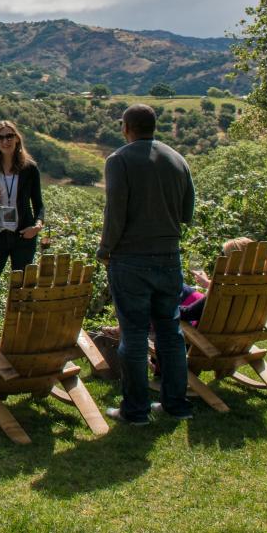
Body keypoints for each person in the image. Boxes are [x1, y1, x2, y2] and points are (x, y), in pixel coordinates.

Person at [97, 103, 196, 425]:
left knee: (135, 335)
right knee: (170, 333)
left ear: (127, 127)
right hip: (170, 257)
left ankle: (136, 410)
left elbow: (116, 212)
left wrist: (105, 249)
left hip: (130, 259)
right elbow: (187, 212)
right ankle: (176, 404)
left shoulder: (120, 160)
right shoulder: (177, 159)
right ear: (154, 126)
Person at [0, 120, 45, 331]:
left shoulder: (29, 169)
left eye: (9, 136)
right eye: (0, 137)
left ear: (17, 139)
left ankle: (18, 338)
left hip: (23, 236)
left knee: (22, 291)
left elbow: (39, 204)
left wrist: (37, 226)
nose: (5, 141)